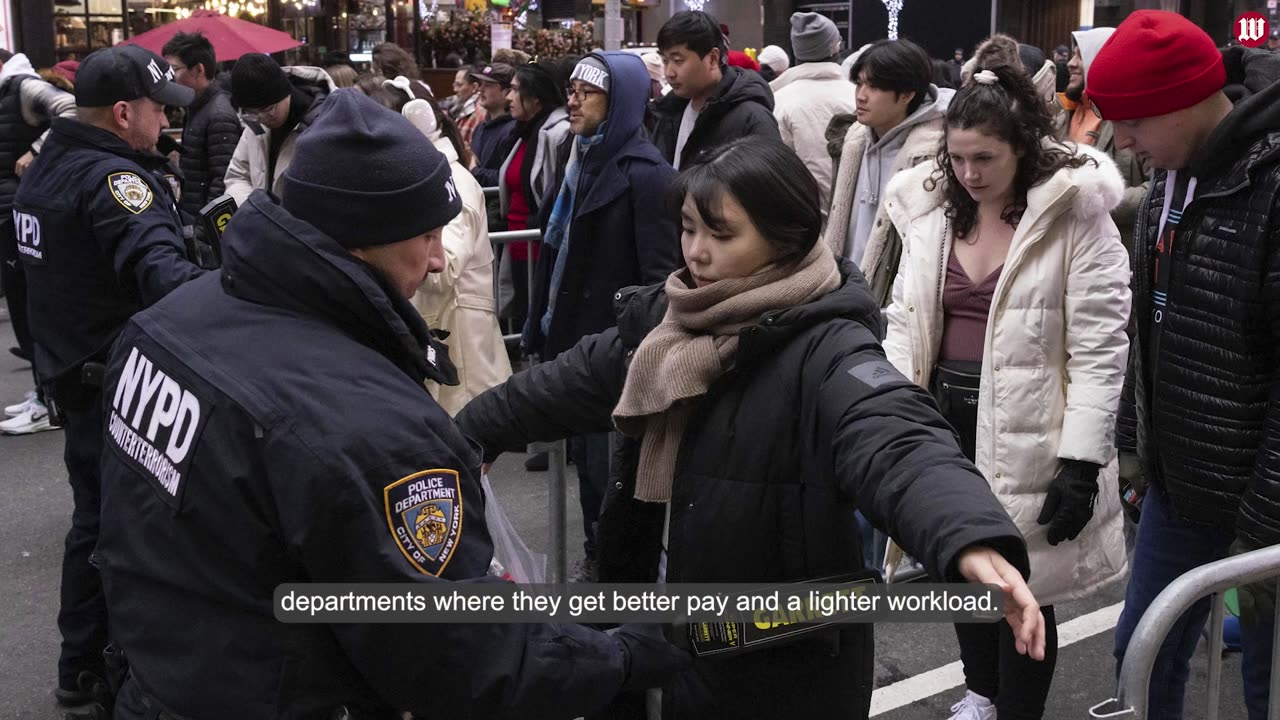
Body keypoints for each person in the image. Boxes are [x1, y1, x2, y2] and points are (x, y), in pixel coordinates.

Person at [95, 88, 688, 719]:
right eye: (426, 236)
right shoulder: (366, 427)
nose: (438, 261)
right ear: (359, 240)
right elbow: (461, 655)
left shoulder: (164, 325)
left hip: (166, 679)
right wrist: (621, 657)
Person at [456, 137, 1047, 719]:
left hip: (773, 660)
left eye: (722, 234)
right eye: (689, 228)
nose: (697, 253)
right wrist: (466, 435)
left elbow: (898, 437)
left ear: (786, 238)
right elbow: (563, 384)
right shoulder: (667, 322)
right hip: (655, 626)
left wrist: (969, 534)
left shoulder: (830, 345)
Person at [881, 63, 1129, 720]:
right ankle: (981, 694)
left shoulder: (1075, 215)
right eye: (956, 156)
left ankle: (1015, 711)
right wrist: (892, 413)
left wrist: (1081, 460)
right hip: (943, 421)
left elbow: (1101, 348)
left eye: (984, 157)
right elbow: (906, 321)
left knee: (1024, 585)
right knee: (958, 566)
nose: (969, 172)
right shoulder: (932, 212)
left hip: (1030, 428)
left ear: (1022, 146)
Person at [1089, 11, 1280, 720]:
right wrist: (1137, 447)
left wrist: (1265, 521)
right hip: (1179, 484)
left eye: (1134, 120)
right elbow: (1153, 320)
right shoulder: (1171, 178)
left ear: (1191, 98)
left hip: (1266, 506)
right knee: (1143, 652)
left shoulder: (1269, 182)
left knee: (1269, 682)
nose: (1123, 141)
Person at [11, 44, 205, 714]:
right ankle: (105, 668)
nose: (166, 122)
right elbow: (167, 280)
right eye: (158, 109)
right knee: (129, 535)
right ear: (123, 113)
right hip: (116, 383)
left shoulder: (48, 165)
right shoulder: (114, 180)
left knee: (95, 525)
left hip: (73, 374)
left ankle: (82, 662)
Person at [523, 52, 681, 582]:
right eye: (570, 89)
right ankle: (605, 572)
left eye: (587, 92)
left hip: (616, 357)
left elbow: (660, 277)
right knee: (592, 479)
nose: (572, 99)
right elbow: (554, 250)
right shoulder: (578, 157)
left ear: (622, 102)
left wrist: (632, 348)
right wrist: (535, 324)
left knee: (614, 482)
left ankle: (621, 588)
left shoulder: (646, 175)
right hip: (573, 344)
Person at [375, 75, 509, 415]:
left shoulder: (453, 183)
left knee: (464, 463)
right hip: (433, 347)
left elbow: (442, 269)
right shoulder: (419, 179)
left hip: (460, 355)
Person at [823, 38, 953, 306]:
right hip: (842, 289)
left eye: (874, 86)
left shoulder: (933, 155)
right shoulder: (854, 139)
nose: (861, 95)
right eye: (859, 83)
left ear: (907, 94)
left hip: (892, 302)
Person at [0, 48, 75, 436]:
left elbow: (73, 108)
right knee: (22, 309)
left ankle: (49, 400)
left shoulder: (23, 86)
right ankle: (41, 391)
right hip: (10, 214)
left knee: (33, 312)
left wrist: (36, 150)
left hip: (23, 214)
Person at [1052, 27, 1147, 252]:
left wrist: (1094, 198)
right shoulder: (1061, 114)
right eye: (1072, 55)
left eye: (1081, 55)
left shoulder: (1131, 121)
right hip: (1063, 247)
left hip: (1114, 251)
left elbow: (1156, 191)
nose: (1071, 63)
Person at [650, 10, 780, 169]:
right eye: (664, 61)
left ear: (712, 58)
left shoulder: (752, 118)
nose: (669, 73)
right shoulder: (668, 112)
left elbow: (770, 186)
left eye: (678, 60)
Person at [495, 61, 568, 334]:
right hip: (517, 243)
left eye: (515, 90)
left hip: (538, 245)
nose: (508, 97)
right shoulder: (522, 134)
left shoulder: (555, 134)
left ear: (535, 98)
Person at [770, 12, 855, 220]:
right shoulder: (858, 96)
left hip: (795, 218)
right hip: (854, 217)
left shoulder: (777, 100)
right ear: (836, 47)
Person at [224, 54, 334, 205]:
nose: (261, 118)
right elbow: (237, 175)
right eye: (252, 112)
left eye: (268, 109)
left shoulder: (326, 123)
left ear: (284, 94)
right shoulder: (255, 122)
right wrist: (255, 212)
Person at [161, 31, 241, 219]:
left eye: (174, 69)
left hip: (204, 225)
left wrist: (204, 231)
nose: (170, 77)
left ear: (198, 70)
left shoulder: (219, 115)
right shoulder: (195, 105)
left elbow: (223, 181)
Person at [469, 63, 516, 190]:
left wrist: (473, 171)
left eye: (488, 85)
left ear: (506, 92)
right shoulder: (481, 127)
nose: (481, 89)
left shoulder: (513, 131)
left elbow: (508, 178)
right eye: (481, 84)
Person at [450, 65, 485, 146]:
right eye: (454, 85)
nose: (455, 90)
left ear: (474, 87)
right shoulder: (458, 105)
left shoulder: (479, 112)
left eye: (459, 85)